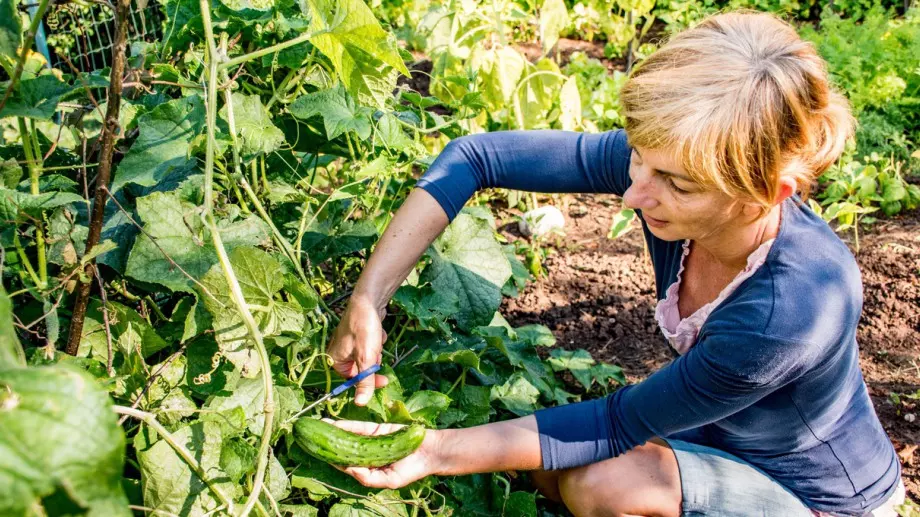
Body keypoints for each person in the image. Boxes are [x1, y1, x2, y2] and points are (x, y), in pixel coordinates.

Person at [326, 9, 904, 516]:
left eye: (675, 184)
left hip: (814, 495)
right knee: (548, 471)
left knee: (602, 484)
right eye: (639, 162)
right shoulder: (674, 170)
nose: (634, 195)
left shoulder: (791, 310)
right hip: (716, 433)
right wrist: (367, 299)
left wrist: (433, 452)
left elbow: (613, 424)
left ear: (765, 194)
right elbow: (476, 156)